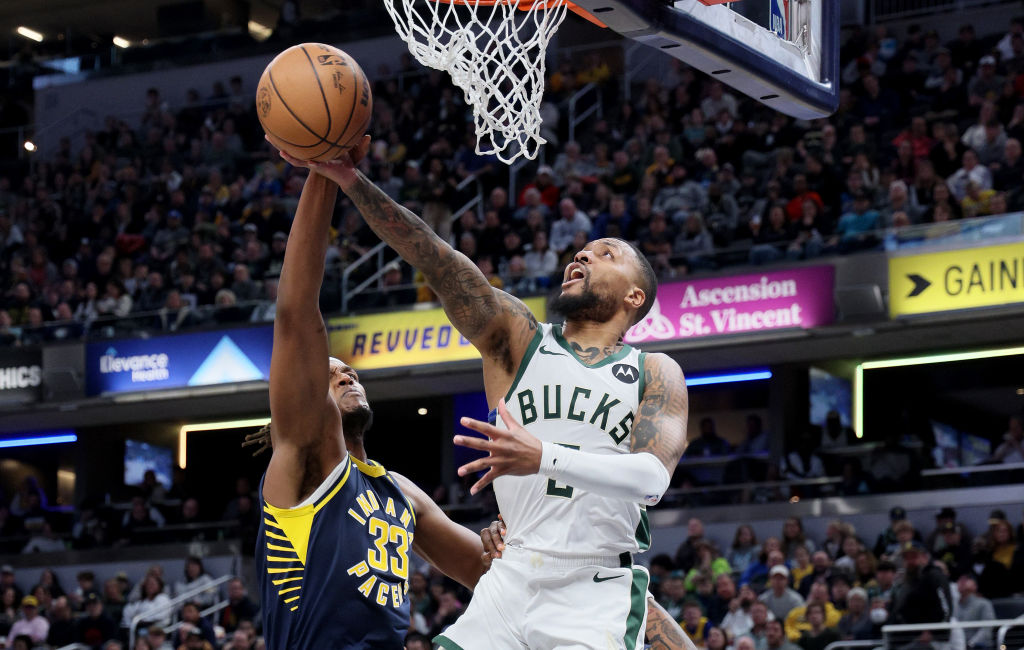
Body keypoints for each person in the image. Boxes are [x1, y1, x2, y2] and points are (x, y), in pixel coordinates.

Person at [287, 137, 688, 649]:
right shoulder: (518, 339)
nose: (582, 256)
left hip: (596, 587)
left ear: (635, 296)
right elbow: (439, 261)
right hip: (511, 572)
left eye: (604, 255)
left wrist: (542, 455)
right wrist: (349, 181)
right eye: (580, 252)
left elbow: (652, 479)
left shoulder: (655, 371)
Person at [251, 146, 491, 649]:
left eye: (350, 370)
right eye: (329, 373)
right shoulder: (305, 462)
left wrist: (515, 535)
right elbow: (297, 315)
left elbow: (482, 570)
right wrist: (322, 172)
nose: (345, 375)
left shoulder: (398, 490)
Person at [954, 574, 995, 649]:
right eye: (960, 579)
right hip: (958, 645)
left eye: (967, 579)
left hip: (979, 646)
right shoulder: (954, 605)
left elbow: (987, 629)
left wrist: (970, 644)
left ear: (975, 586)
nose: (962, 581)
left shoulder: (984, 603)